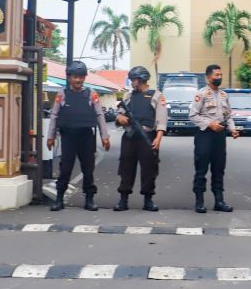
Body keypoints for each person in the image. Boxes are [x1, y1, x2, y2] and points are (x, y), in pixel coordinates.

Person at [47, 61, 110, 212]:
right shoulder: (62, 94)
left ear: (84, 78)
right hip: (68, 137)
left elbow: (99, 114)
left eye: (81, 77)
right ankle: (59, 199)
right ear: (69, 77)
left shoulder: (91, 93)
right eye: (75, 77)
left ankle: (89, 199)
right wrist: (51, 136)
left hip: (86, 136)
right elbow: (54, 115)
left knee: (88, 169)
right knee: (65, 169)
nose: (78, 80)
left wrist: (104, 136)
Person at [114, 66, 168, 212]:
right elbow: (119, 113)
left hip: (148, 136)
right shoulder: (129, 96)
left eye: (134, 80)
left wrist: (158, 137)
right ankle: (123, 199)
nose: (132, 83)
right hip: (130, 136)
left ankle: (148, 199)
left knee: (149, 169)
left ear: (142, 79)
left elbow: (161, 119)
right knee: (126, 167)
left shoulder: (157, 95)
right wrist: (121, 118)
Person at [188, 64, 239, 213]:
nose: (219, 77)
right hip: (204, 135)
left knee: (219, 169)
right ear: (208, 77)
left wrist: (233, 129)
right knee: (201, 168)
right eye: (217, 75)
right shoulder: (201, 94)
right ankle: (199, 201)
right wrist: (210, 124)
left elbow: (228, 115)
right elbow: (193, 115)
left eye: (221, 75)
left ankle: (219, 201)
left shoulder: (224, 95)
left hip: (220, 136)